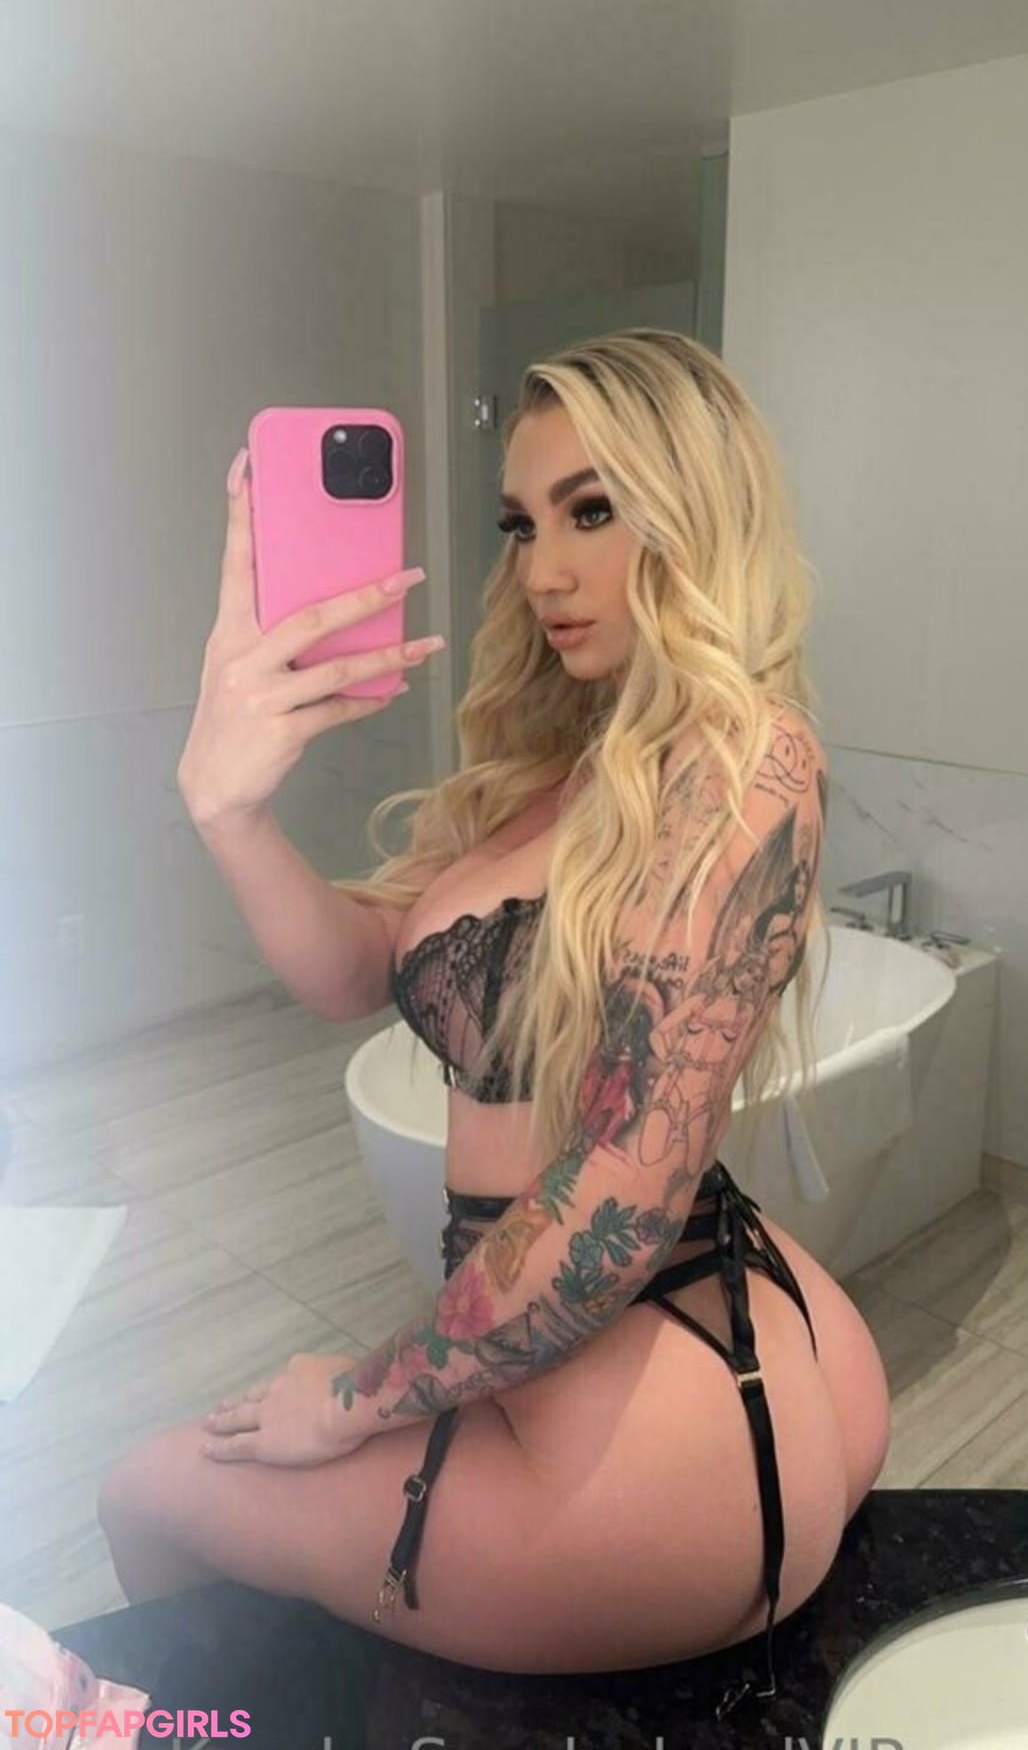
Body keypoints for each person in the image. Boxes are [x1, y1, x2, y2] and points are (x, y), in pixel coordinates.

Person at [97, 330, 890, 1716]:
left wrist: (354, 1398)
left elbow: (618, 1204)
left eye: (594, 510)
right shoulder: (572, 766)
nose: (541, 571)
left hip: (671, 1423)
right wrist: (229, 811)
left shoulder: (744, 757)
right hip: (688, 1365)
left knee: (145, 1496)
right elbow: (355, 970)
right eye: (523, 523)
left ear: (696, 508)